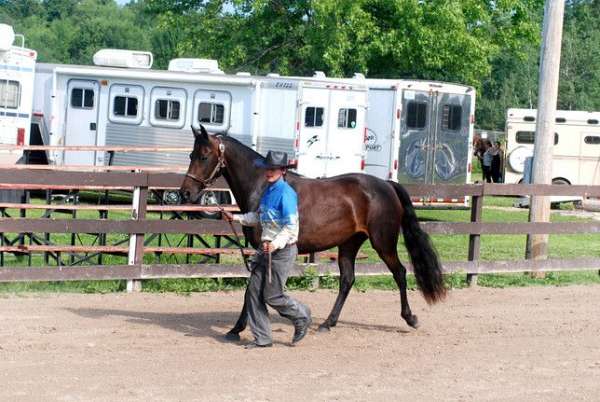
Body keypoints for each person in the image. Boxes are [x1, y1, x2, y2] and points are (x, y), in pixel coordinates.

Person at [223, 151, 312, 349]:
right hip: (266, 251)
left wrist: (274, 244)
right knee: (254, 293)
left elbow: (291, 227)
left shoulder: (286, 194)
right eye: (267, 168)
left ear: (282, 171)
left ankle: (301, 315)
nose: (268, 172)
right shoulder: (268, 191)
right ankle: (263, 338)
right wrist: (237, 218)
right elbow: (258, 217)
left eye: (272, 169)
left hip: (281, 252)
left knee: (272, 296)